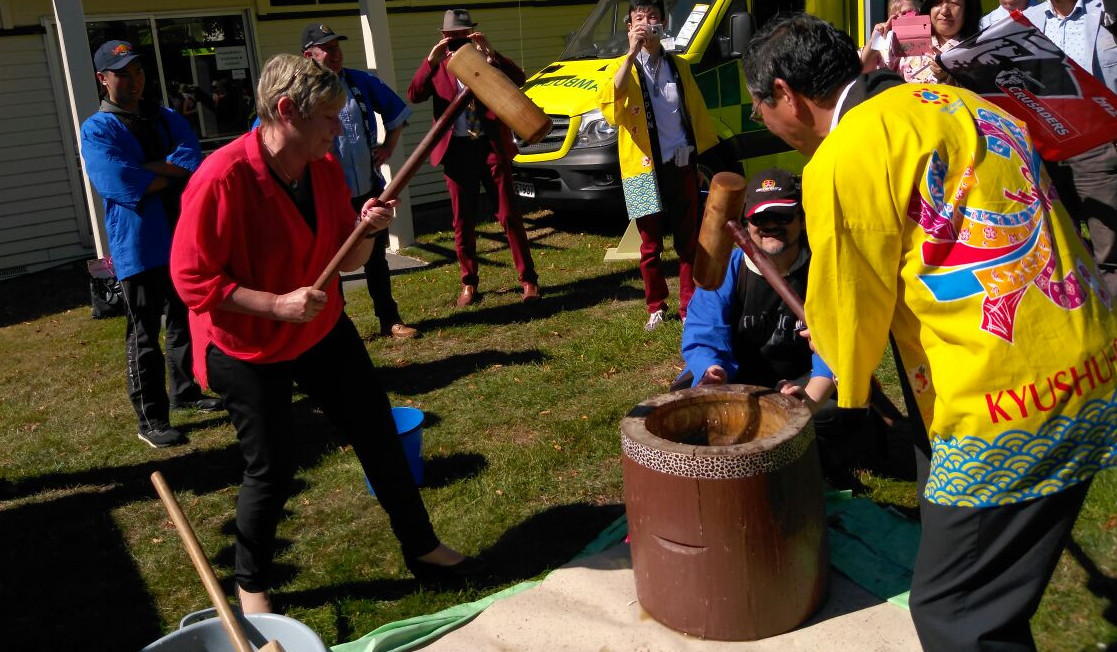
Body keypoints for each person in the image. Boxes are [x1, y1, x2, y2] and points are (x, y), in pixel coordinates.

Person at [743, 13, 1117, 650]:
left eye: (760, 109)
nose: (765, 124)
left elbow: (847, 306)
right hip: (1090, 362)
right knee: (982, 581)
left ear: (784, 93)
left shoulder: (846, 153)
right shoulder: (957, 101)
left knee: (956, 614)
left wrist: (830, 374)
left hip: (1004, 403)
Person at [170, 54, 478, 614]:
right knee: (274, 465)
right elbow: (192, 279)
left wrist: (368, 230)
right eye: (330, 118)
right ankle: (253, 586)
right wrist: (274, 304)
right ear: (287, 111)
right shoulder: (222, 178)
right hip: (248, 345)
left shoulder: (324, 169)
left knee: (378, 435)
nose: (340, 129)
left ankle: (423, 547)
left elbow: (348, 256)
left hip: (321, 330)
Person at [677, 168, 882, 486]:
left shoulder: (823, 272)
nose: (771, 225)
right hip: (739, 379)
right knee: (684, 402)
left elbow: (835, 348)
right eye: (760, 219)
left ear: (802, 220)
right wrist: (712, 370)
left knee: (841, 412)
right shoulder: (727, 271)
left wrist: (809, 400)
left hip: (801, 379)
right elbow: (705, 332)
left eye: (783, 217)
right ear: (746, 223)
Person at [80, 40, 221, 449]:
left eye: (138, 71)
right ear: (102, 79)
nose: (134, 79)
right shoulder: (98, 128)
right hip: (139, 245)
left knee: (183, 319)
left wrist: (148, 173)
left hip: (182, 237)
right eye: (122, 72)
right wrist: (167, 174)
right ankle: (151, 418)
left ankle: (185, 391)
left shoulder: (166, 116)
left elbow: (192, 159)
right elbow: (116, 181)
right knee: (144, 333)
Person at [408, 8, 540, 308]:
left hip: (490, 146)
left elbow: (519, 79)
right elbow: (414, 94)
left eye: (462, 37)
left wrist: (490, 53)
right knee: (462, 221)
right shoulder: (438, 66)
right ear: (443, 37)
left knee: (508, 215)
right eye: (451, 38)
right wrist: (431, 60)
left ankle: (528, 279)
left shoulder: (486, 59)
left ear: (472, 34)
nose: (457, 43)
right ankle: (469, 284)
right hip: (456, 150)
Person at [598, 0, 718, 331]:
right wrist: (631, 53)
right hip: (640, 168)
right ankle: (655, 305)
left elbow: (693, 113)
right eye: (639, 19)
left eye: (652, 18)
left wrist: (697, 157)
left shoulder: (677, 66)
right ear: (629, 26)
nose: (647, 24)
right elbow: (611, 107)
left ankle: (688, 304)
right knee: (649, 245)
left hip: (679, 161)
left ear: (663, 24)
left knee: (687, 240)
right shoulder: (619, 68)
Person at [301, 23, 419, 339]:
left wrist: (389, 147)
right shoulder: (299, 91)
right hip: (324, 197)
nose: (336, 54)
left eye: (338, 47)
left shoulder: (358, 82)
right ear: (309, 55)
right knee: (330, 262)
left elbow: (397, 112)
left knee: (376, 259)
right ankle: (334, 329)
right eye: (328, 48)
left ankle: (389, 319)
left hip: (366, 189)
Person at [1024, 0, 1117, 296]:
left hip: (1098, 148)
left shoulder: (1106, 11)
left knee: (1110, 251)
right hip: (1046, 149)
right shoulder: (1026, 19)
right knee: (1056, 251)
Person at [874, 0, 981, 83]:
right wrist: (875, 39)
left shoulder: (980, 50)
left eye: (953, 3)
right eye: (937, 2)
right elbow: (866, 72)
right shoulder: (907, 39)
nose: (944, 11)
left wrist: (947, 77)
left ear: (968, 10)